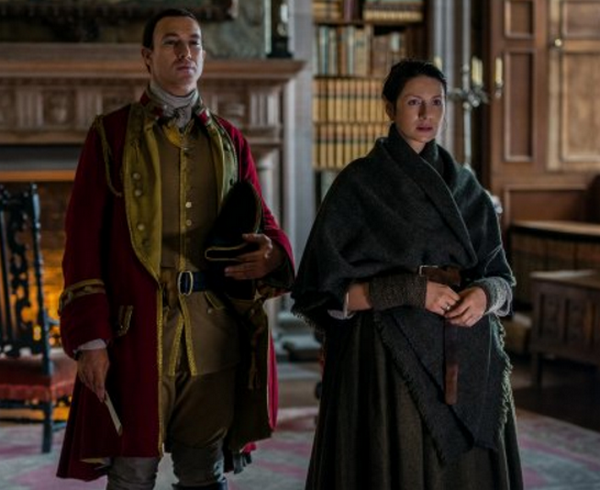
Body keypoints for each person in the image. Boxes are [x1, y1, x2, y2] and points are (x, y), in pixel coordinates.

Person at [56, 8, 294, 490]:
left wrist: (273, 254)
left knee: (204, 471)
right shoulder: (111, 134)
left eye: (194, 42)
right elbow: (82, 241)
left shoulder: (229, 139)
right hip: (134, 334)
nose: (186, 52)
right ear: (147, 56)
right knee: (133, 470)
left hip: (213, 334)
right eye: (171, 42)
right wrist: (92, 340)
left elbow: (263, 222)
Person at [292, 59, 523, 490]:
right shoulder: (358, 184)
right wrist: (409, 290)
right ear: (389, 107)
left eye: (437, 102)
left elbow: (501, 278)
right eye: (414, 102)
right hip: (386, 355)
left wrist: (484, 296)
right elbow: (324, 292)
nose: (427, 114)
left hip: (469, 347)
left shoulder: (466, 186)